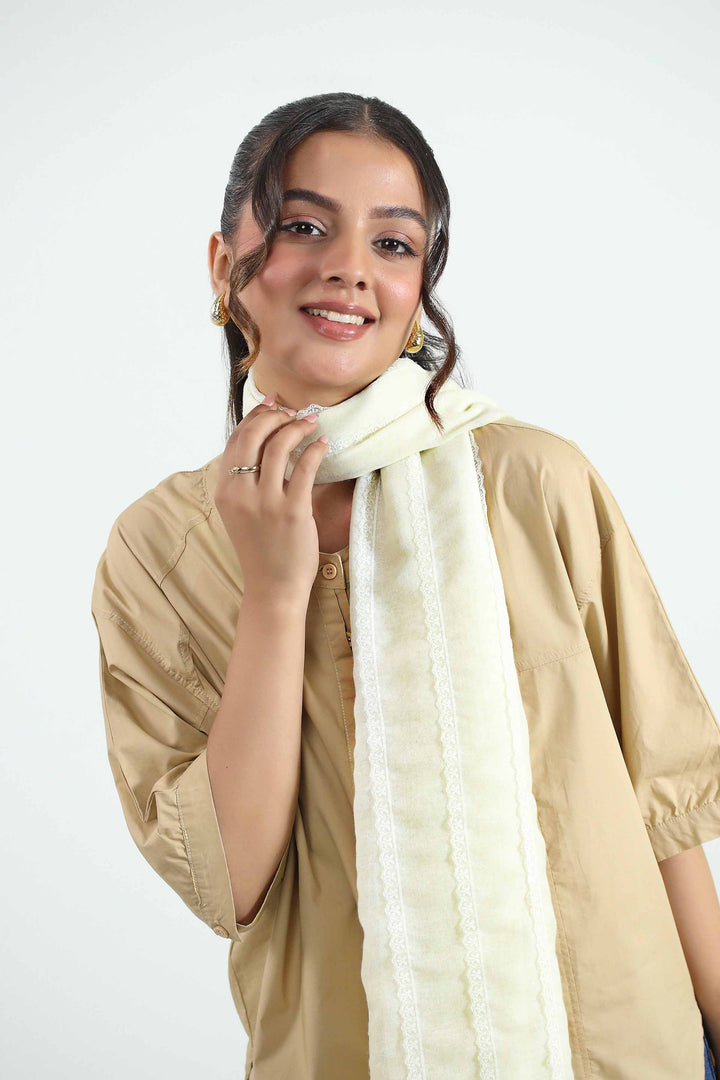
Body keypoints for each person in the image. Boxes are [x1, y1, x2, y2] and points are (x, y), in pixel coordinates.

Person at [90, 92, 720, 1079]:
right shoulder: (160, 551)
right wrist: (276, 592)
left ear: (420, 285)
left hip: (617, 1046)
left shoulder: (531, 479)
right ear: (224, 268)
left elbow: (662, 808)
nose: (350, 267)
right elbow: (230, 879)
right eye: (305, 226)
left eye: (393, 244)